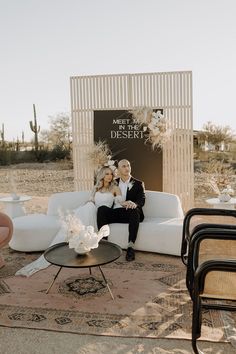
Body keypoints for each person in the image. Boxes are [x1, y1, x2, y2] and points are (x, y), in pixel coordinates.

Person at [15, 166, 122, 277]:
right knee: (88, 207)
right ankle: (71, 239)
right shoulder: (96, 188)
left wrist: (126, 203)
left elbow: (120, 201)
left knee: (89, 209)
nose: (109, 176)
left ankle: (81, 238)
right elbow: (91, 200)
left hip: (103, 214)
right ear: (102, 176)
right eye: (107, 174)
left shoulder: (115, 188)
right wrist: (89, 203)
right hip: (92, 210)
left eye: (111, 174)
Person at [97, 159, 145, 262]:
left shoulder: (138, 183)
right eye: (123, 166)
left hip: (130, 213)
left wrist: (134, 204)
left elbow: (142, 200)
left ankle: (131, 247)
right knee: (101, 210)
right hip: (117, 212)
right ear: (118, 170)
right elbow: (101, 190)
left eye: (128, 165)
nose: (127, 168)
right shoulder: (113, 182)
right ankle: (105, 244)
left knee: (134, 210)